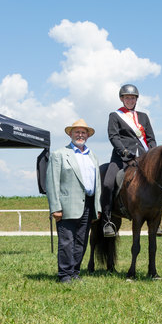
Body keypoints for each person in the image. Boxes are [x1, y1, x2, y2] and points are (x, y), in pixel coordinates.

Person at [46, 119, 101, 283]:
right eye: (77, 132)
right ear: (70, 134)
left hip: (88, 204)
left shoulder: (93, 156)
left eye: (83, 132)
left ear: (88, 136)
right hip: (67, 206)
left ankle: (75, 272)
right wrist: (55, 207)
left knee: (81, 241)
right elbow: (52, 182)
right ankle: (64, 275)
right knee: (66, 241)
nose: (80, 135)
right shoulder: (59, 154)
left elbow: (97, 184)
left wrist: (96, 207)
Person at [102, 84, 157, 237]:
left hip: (143, 158)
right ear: (122, 99)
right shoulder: (115, 116)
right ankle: (107, 220)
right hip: (121, 157)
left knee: (159, 182)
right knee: (107, 183)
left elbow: (151, 138)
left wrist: (152, 154)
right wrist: (124, 151)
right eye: (127, 98)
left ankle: (157, 220)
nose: (130, 100)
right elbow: (113, 136)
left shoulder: (144, 117)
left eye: (132, 98)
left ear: (136, 99)